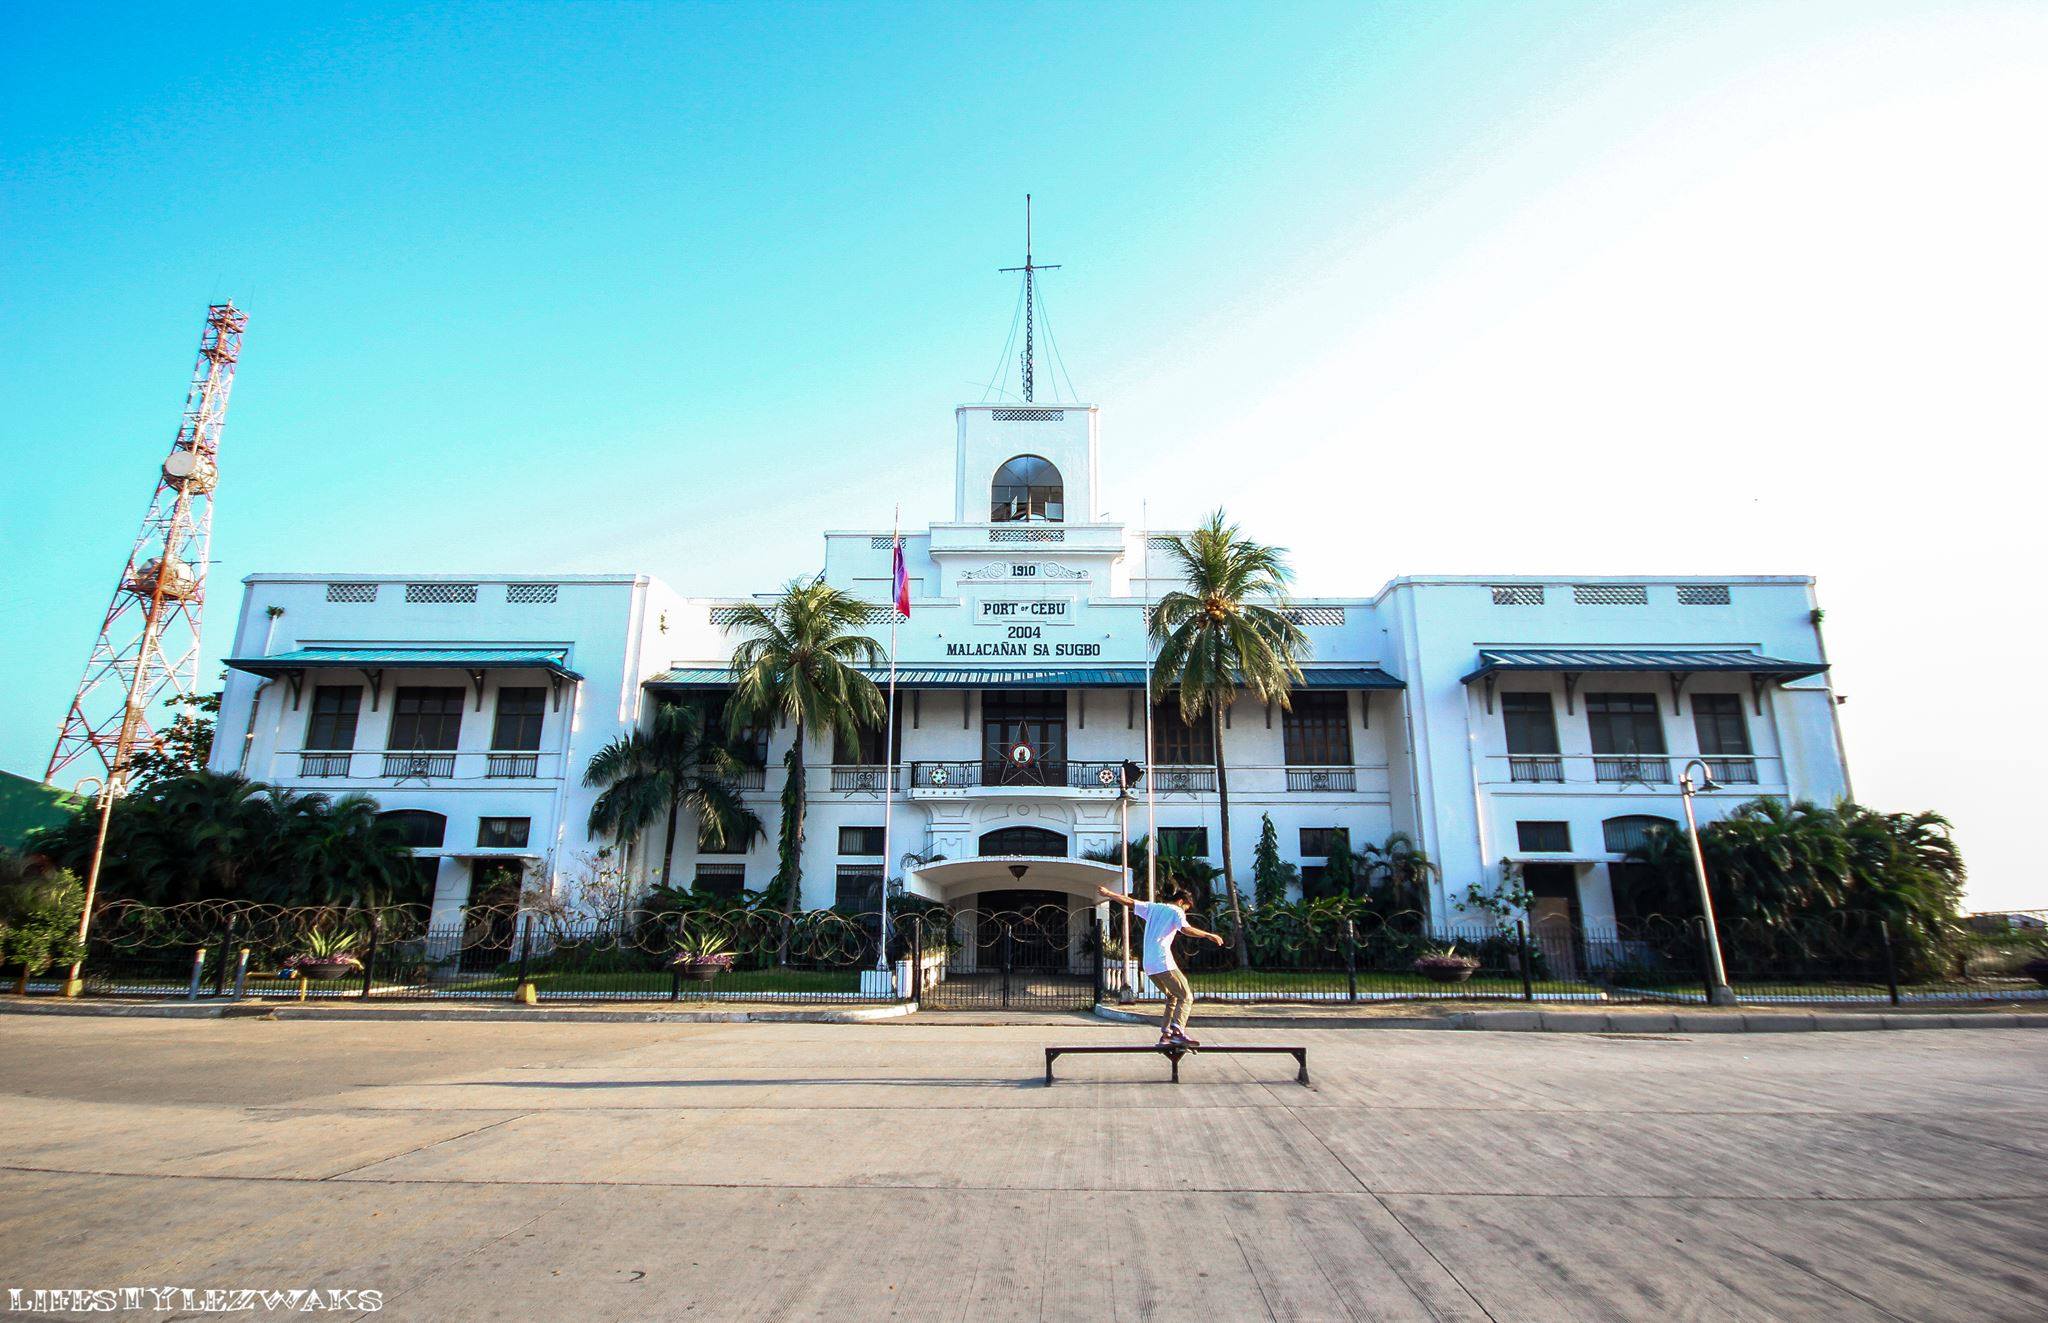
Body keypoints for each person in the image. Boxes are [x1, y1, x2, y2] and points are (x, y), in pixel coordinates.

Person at [1096, 881, 1226, 1048]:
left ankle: (1166, 1034)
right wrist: (1208, 935)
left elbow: (1129, 901)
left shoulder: (1153, 907)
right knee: (1186, 996)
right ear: (1181, 902)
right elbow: (1185, 929)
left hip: (1149, 965)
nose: (1185, 911)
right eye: (1186, 908)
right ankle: (1178, 1033)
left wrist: (1108, 893)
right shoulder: (1176, 910)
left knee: (1172, 996)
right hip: (1162, 961)